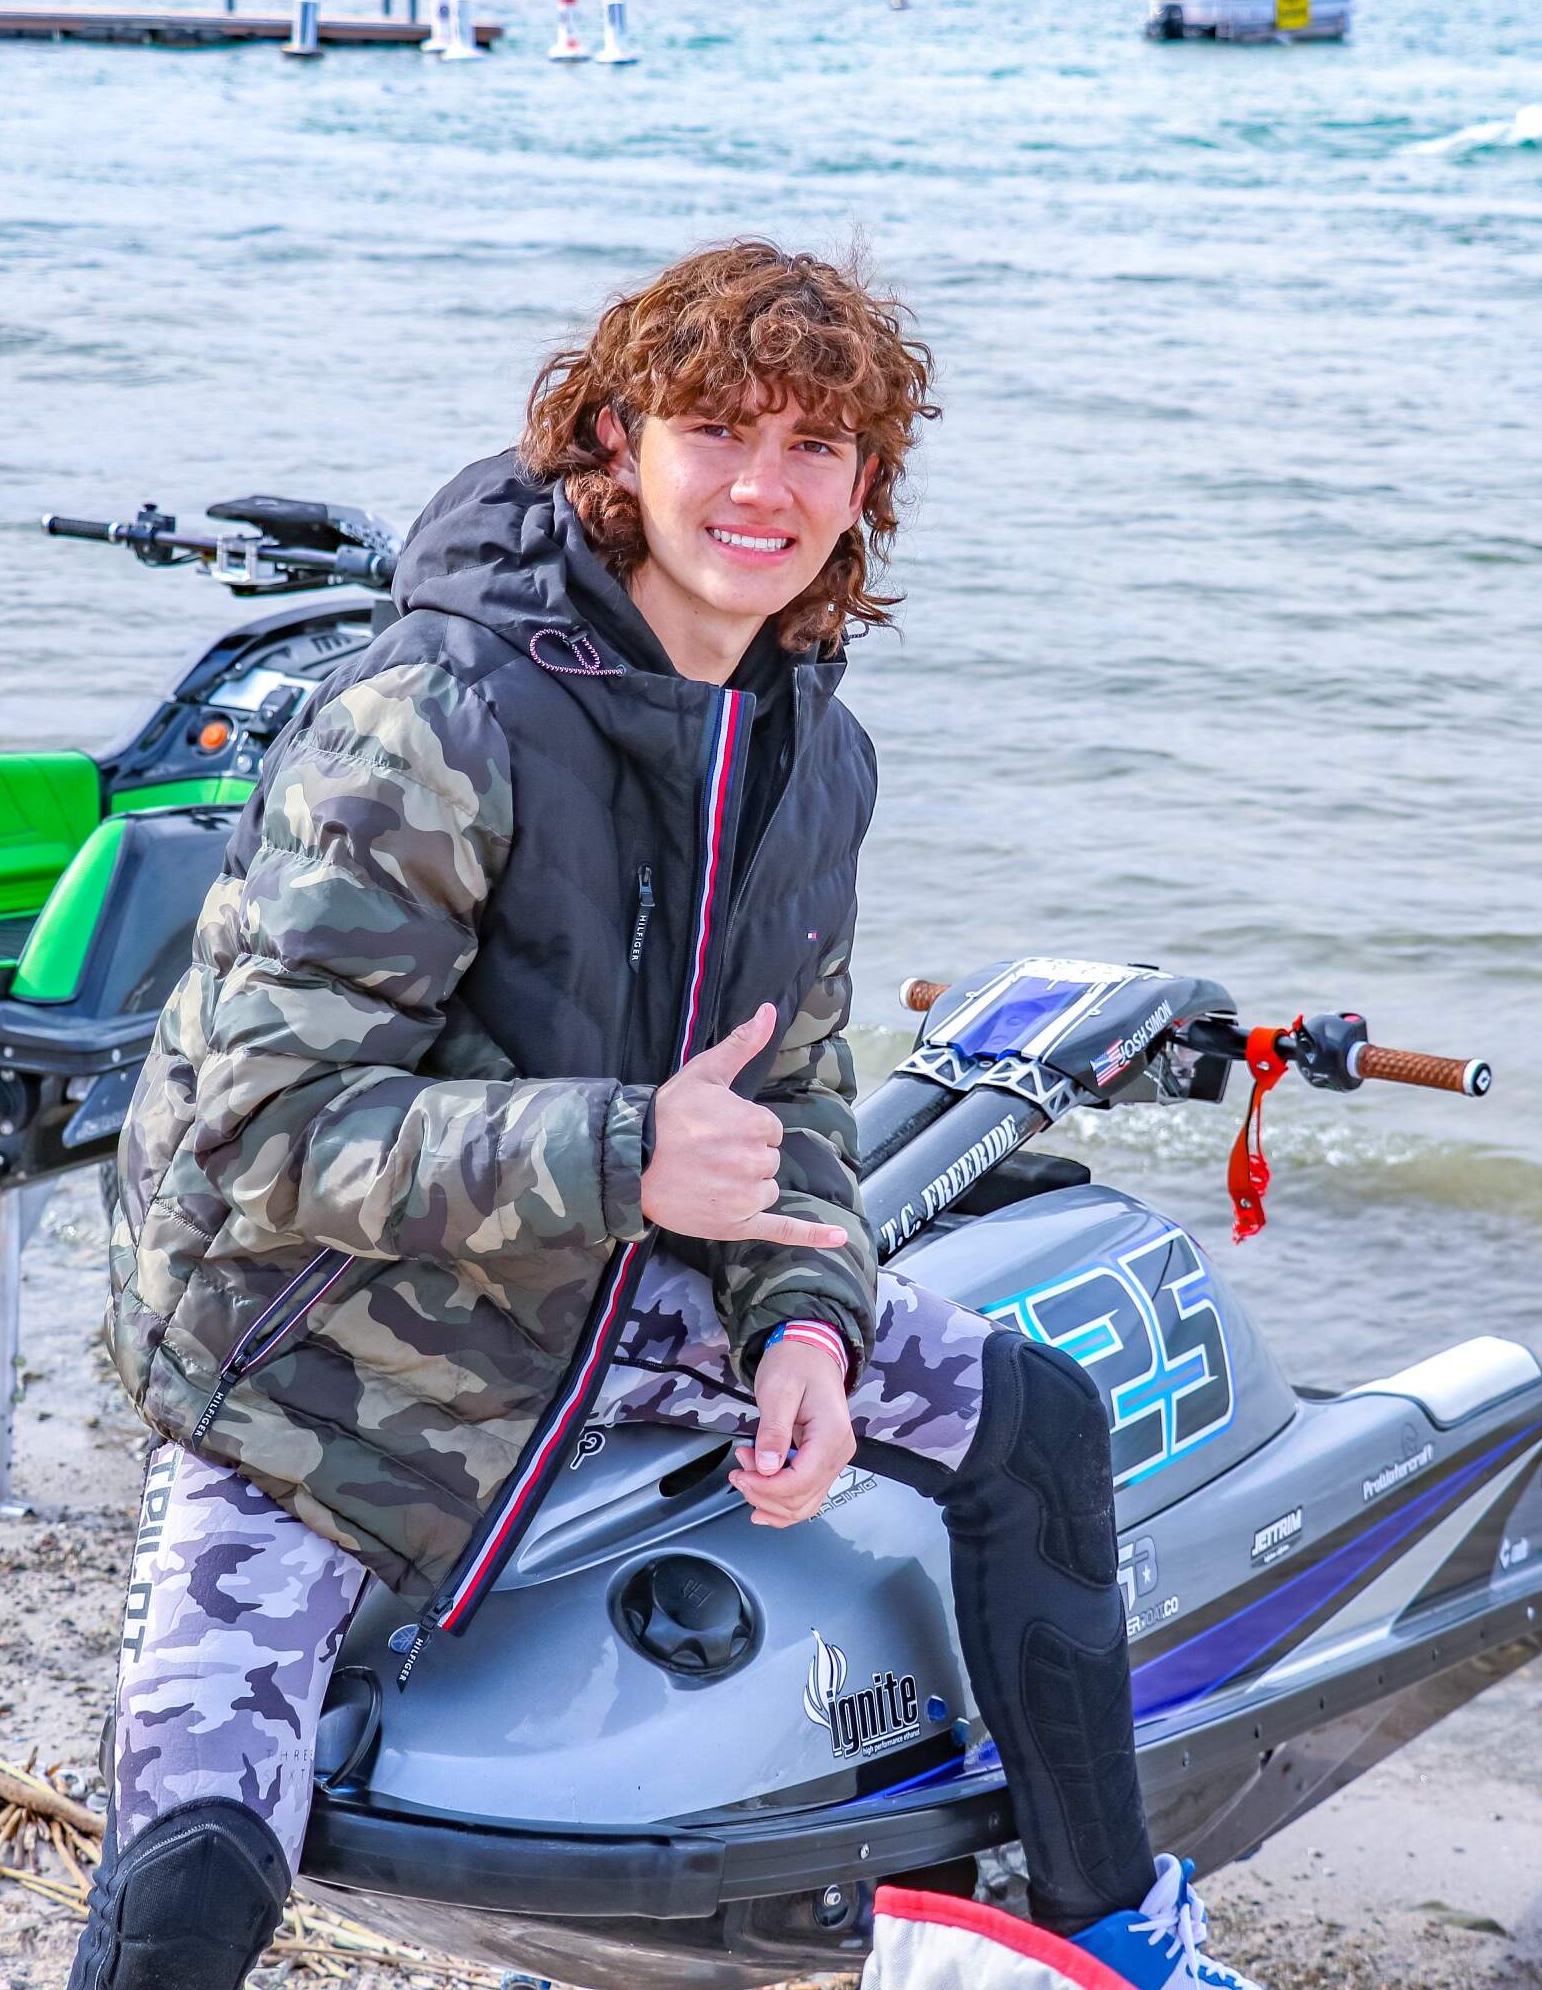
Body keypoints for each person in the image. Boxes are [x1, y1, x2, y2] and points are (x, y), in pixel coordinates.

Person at [73, 240, 1265, 1990]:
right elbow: (258, 1136)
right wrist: (628, 1151)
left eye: (818, 448)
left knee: (1035, 1422)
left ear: (868, 490)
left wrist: (801, 1325)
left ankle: (1101, 1933)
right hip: (317, 1350)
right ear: (616, 442)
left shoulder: (807, 745)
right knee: (198, 1849)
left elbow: (795, 1092)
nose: (763, 488)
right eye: (718, 429)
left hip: (613, 1278)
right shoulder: (434, 716)